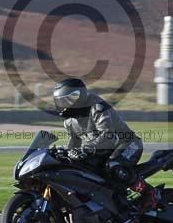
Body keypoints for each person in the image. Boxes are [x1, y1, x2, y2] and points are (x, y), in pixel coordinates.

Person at [52, 77, 158, 212]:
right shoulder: (69, 121)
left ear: (79, 96)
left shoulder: (98, 107)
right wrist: (64, 153)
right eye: (60, 101)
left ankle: (149, 192)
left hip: (128, 143)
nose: (63, 104)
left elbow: (109, 137)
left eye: (67, 100)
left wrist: (87, 148)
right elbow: (74, 141)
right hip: (101, 151)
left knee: (113, 166)